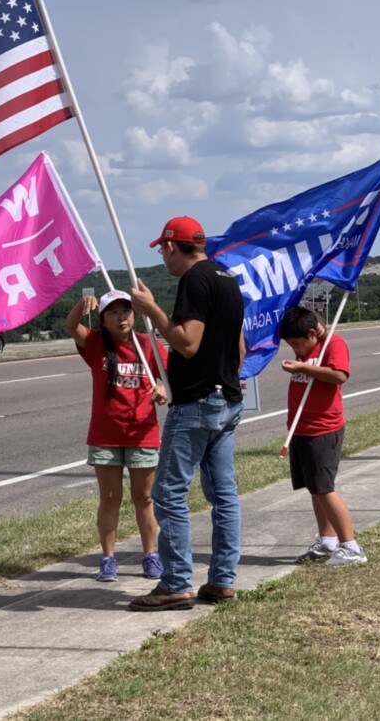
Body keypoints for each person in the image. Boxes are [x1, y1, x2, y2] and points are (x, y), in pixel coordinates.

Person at [128, 216, 245, 611]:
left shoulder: (194, 281)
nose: (162, 258)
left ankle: (176, 582)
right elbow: (240, 346)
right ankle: (222, 580)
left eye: (162, 250)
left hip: (197, 402)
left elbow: (187, 343)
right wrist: (225, 376)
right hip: (227, 398)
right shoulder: (227, 278)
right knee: (223, 494)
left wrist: (153, 311)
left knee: (168, 493)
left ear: (173, 246)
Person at [65, 290, 168, 582]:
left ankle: (150, 555)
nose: (121, 317)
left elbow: (171, 378)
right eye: (113, 312)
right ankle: (108, 559)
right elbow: (71, 327)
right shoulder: (96, 344)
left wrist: (163, 390)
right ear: (103, 320)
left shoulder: (147, 344)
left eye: (126, 311)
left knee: (144, 498)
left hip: (143, 434)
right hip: (106, 436)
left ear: (135, 314)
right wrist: (80, 305)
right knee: (110, 499)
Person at [279, 306, 367, 566]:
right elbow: (306, 316)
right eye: (290, 345)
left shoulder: (333, 344)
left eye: (297, 343)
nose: (296, 349)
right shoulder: (305, 344)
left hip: (323, 429)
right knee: (314, 489)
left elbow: (339, 375)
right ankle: (327, 540)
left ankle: (350, 546)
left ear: (311, 334)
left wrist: (303, 367)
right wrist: (301, 360)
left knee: (324, 488)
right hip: (301, 428)